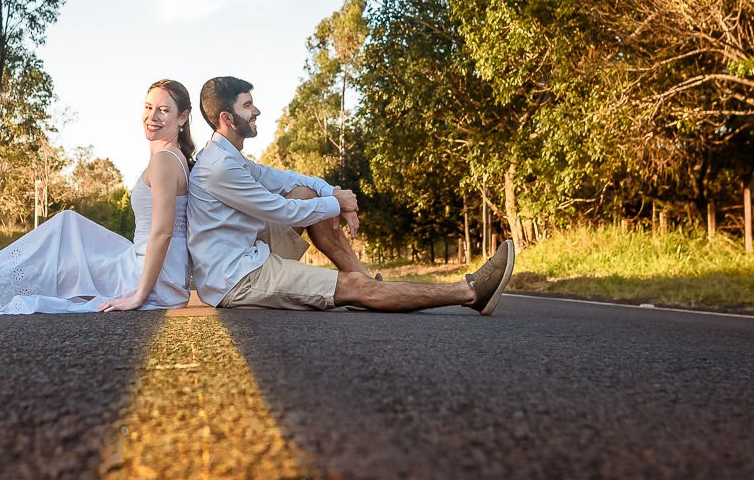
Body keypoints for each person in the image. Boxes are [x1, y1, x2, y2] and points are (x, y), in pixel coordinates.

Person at [187, 75, 514, 314]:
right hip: (236, 279)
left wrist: (333, 193)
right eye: (247, 106)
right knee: (354, 286)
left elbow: (287, 180)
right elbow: (281, 212)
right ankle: (468, 293)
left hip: (251, 253)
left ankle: (366, 284)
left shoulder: (231, 156)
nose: (256, 110)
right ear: (227, 118)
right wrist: (336, 203)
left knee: (304, 193)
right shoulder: (218, 167)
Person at [0, 79, 196, 314]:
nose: (152, 116)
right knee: (67, 226)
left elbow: (163, 232)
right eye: (148, 106)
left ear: (182, 119)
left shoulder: (165, 160)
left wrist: (139, 295)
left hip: (152, 278)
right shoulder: (172, 156)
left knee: (55, 262)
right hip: (148, 264)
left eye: (164, 110)